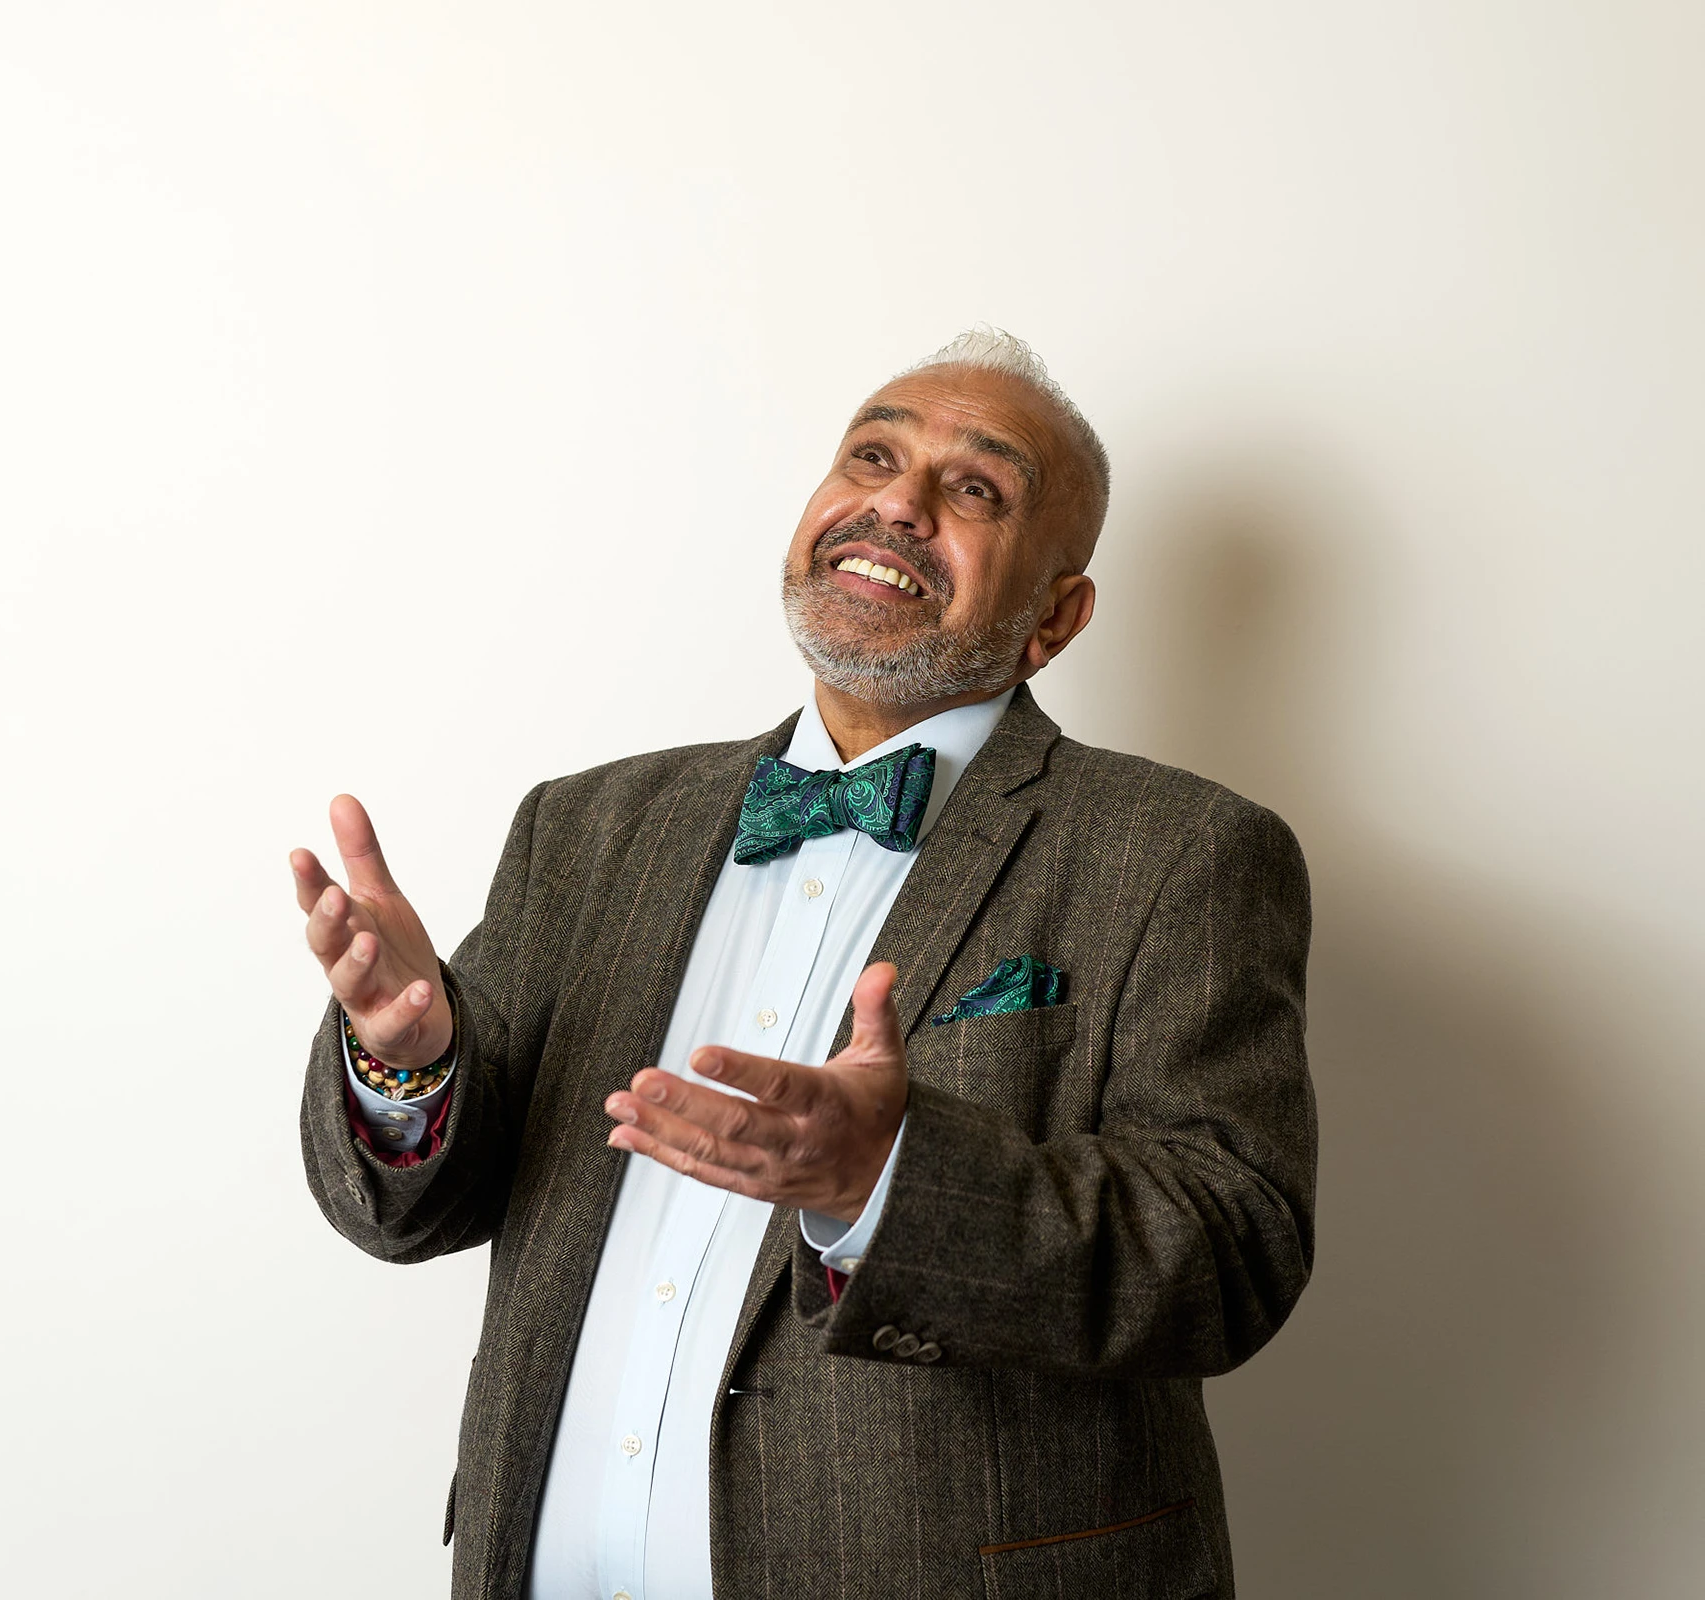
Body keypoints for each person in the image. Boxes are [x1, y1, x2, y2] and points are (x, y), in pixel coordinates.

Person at [289, 329, 1316, 1600]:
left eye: (976, 487)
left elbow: (1233, 1250)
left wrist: (890, 1179)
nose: (898, 500)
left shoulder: (1182, 852)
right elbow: (409, 1210)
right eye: (872, 455)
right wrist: (412, 1065)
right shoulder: (589, 823)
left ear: (1057, 615)